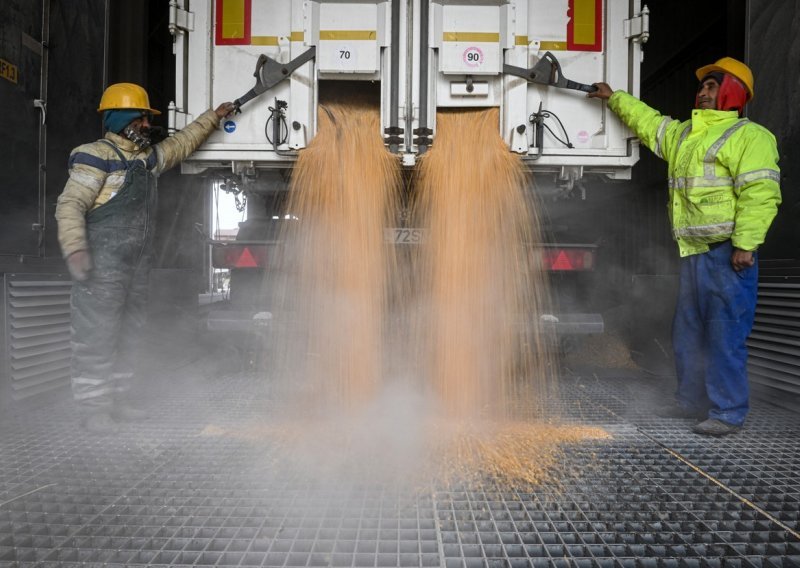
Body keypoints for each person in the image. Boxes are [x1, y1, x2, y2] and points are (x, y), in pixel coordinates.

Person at [588, 57, 781, 436]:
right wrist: (615, 98)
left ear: (733, 92)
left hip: (728, 254)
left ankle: (727, 412)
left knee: (725, 334)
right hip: (694, 254)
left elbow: (761, 193)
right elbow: (649, 123)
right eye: (703, 86)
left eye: (712, 86)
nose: (703, 92)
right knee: (688, 332)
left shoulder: (750, 136)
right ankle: (690, 402)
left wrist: (745, 244)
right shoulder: (685, 136)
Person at [55, 82, 235, 433]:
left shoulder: (145, 160)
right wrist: (76, 249)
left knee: (129, 332)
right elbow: (70, 204)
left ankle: (118, 402)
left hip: (135, 266)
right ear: (120, 119)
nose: (145, 126)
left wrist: (212, 118)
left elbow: (181, 144)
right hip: (101, 265)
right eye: (139, 119)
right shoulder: (95, 155)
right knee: (97, 334)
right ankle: (94, 409)